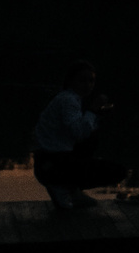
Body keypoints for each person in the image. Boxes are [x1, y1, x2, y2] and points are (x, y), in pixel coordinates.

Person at [32, 62, 125, 211]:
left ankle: (69, 189)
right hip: (52, 164)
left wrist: (97, 115)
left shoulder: (69, 98)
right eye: (82, 80)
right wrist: (93, 110)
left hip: (48, 162)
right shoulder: (68, 100)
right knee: (118, 171)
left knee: (91, 142)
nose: (88, 85)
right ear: (71, 81)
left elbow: (80, 133)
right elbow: (79, 133)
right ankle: (62, 188)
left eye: (91, 81)